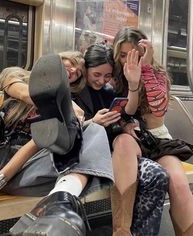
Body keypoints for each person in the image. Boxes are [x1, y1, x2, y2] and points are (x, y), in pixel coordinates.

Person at [0, 53, 114, 235]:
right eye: (71, 63)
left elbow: (39, 143)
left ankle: (60, 204)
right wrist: (55, 104)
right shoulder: (16, 75)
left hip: (26, 169)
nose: (73, 70)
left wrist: (76, 118)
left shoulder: (70, 106)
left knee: (94, 130)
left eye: (79, 71)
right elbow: (18, 88)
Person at [73, 43, 169, 236]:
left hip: (115, 150)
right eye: (96, 75)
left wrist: (126, 122)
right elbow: (67, 132)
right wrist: (93, 122)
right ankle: (122, 231)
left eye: (107, 76)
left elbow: (126, 114)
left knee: (158, 175)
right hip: (89, 154)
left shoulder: (109, 92)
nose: (101, 81)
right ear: (86, 70)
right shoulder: (72, 92)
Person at [112, 26, 193, 235]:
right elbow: (123, 110)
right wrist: (131, 84)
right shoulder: (113, 75)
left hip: (157, 138)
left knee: (178, 183)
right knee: (124, 142)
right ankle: (121, 231)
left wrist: (146, 71)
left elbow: (158, 110)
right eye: (123, 55)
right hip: (129, 137)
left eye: (135, 54)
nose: (128, 60)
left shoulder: (156, 73)